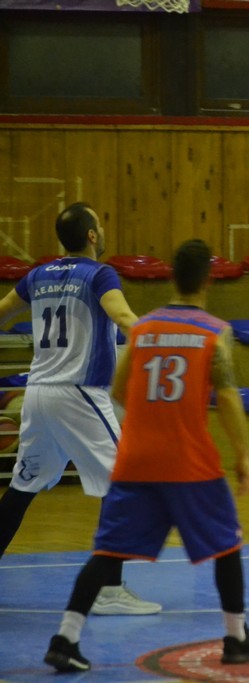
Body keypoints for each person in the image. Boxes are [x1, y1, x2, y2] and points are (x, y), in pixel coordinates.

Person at [43, 239, 249, 672]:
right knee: (227, 544)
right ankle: (236, 638)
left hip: (136, 459)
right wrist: (244, 455)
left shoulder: (144, 328)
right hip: (189, 459)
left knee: (108, 552)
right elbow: (227, 397)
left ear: (172, 277)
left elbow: (118, 390)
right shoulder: (214, 331)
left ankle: (65, 638)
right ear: (207, 280)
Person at [0, 202, 160, 616]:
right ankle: (109, 589)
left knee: (23, 487)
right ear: (91, 235)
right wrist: (155, 338)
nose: (102, 231)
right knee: (123, 482)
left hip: (38, 395)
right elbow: (120, 313)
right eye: (99, 225)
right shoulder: (99, 274)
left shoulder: (37, 275)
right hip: (79, 393)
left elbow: (2, 313)